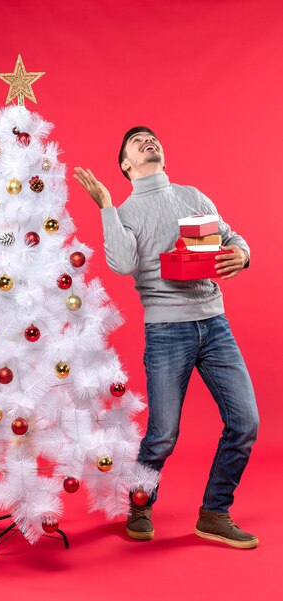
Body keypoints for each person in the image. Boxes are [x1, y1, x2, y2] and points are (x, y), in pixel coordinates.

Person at [74, 126, 259, 549]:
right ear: (125, 164)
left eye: (152, 138)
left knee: (245, 423)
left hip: (215, 325)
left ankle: (214, 512)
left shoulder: (194, 196)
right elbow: (121, 264)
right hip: (166, 331)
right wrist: (104, 205)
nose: (147, 142)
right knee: (162, 435)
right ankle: (140, 503)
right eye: (136, 142)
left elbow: (229, 237)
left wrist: (243, 255)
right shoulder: (124, 211)